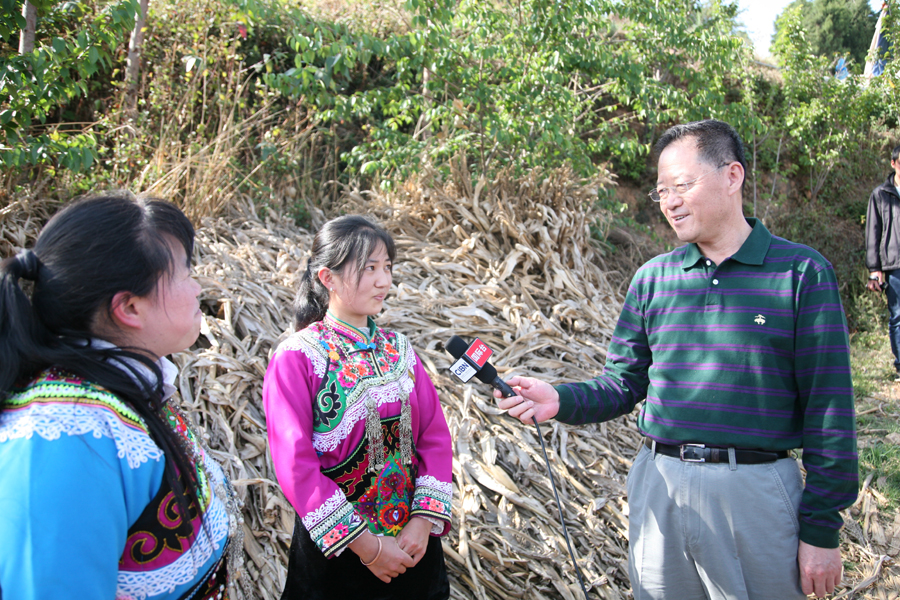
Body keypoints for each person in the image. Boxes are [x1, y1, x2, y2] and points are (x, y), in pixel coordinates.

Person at [496, 120, 858, 600]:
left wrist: (821, 530)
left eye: (683, 185)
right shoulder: (653, 279)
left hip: (755, 492)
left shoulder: (801, 273)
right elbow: (624, 384)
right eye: (661, 190)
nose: (670, 201)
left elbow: (829, 410)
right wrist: (558, 399)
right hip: (659, 484)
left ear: (733, 176)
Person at [0, 195, 244, 599]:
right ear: (130, 307)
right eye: (186, 272)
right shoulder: (65, 437)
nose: (198, 286)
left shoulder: (120, 393)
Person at [263, 215, 453, 600]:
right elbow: (295, 463)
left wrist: (422, 522)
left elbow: (434, 436)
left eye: (387, 267)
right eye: (369, 269)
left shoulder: (399, 349)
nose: (384, 281)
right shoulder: (298, 357)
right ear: (327, 277)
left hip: (414, 547)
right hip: (340, 555)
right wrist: (369, 548)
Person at [865, 144, 900, 379]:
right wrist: (874, 269)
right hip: (895, 264)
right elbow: (873, 233)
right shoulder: (881, 194)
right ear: (894, 163)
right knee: (898, 315)